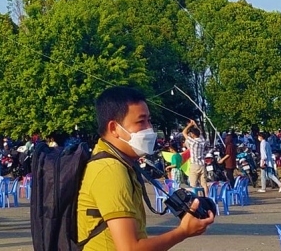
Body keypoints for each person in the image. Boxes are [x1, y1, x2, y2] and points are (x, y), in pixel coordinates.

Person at [77, 86, 214, 251]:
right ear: (114, 128)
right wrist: (183, 231)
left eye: (149, 120)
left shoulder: (122, 163)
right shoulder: (110, 169)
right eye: (141, 122)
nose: (149, 128)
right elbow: (129, 249)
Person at [183, 121, 208, 190]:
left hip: (194, 165)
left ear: (193, 134)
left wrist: (190, 125)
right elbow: (200, 133)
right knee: (204, 184)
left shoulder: (193, 142)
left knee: (193, 185)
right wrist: (195, 125)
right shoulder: (202, 141)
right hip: (202, 165)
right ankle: (207, 198)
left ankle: (195, 199)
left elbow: (184, 132)